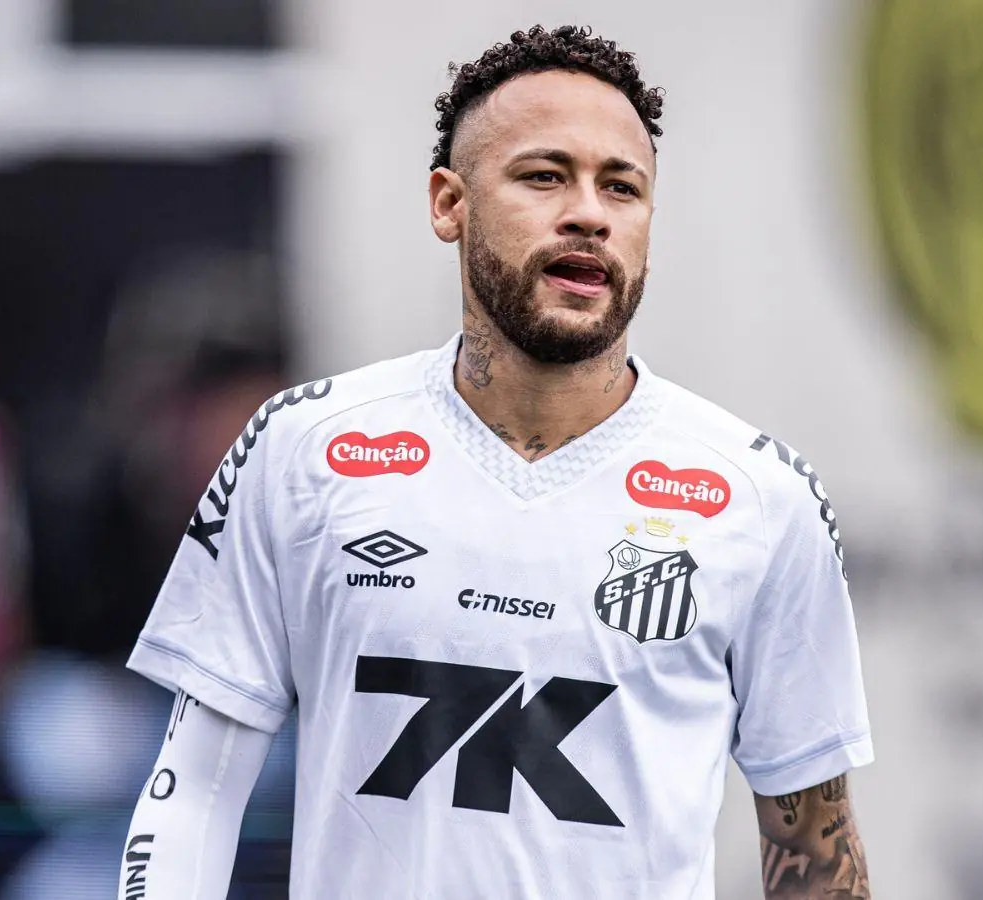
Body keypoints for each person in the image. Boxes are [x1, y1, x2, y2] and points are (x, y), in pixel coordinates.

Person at [118, 24, 873, 900]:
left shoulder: (762, 498)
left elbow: (817, 857)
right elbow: (193, 795)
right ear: (449, 203)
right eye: (545, 176)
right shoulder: (302, 448)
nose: (589, 212)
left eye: (621, 187)